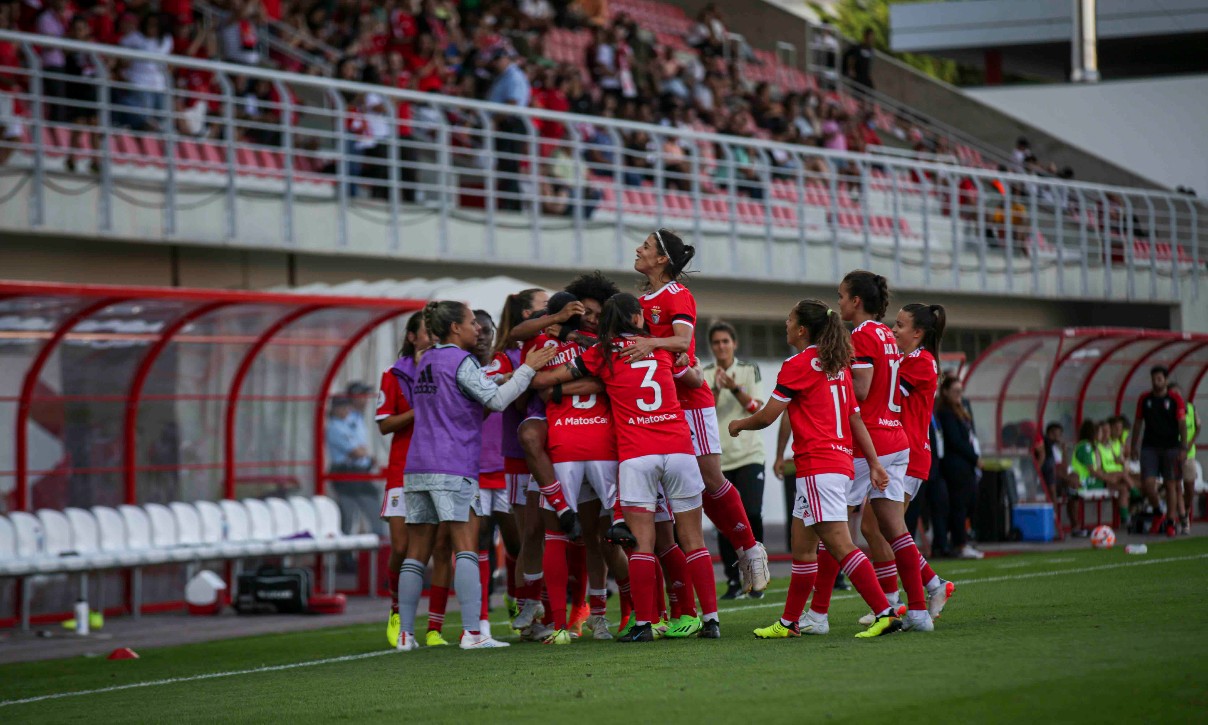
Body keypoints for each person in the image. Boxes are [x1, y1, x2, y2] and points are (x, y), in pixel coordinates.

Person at [533, 293, 721, 641]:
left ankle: (645, 625)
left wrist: (558, 388)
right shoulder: (662, 349)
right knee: (693, 539)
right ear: (637, 319)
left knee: (642, 544)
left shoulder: (602, 353)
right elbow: (694, 380)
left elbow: (547, 379)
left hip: (637, 455)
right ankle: (710, 620)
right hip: (679, 449)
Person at [730, 299, 901, 639]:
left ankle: (885, 612)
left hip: (819, 466)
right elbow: (854, 419)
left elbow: (767, 416)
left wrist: (738, 425)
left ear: (802, 329)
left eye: (789, 319)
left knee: (841, 544)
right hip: (833, 465)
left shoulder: (798, 364)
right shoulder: (836, 366)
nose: (786, 324)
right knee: (803, 547)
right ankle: (792, 622)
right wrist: (874, 463)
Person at [395, 301, 557, 651]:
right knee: (467, 549)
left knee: (416, 552)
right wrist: (526, 370)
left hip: (418, 466)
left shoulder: (427, 360)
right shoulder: (460, 360)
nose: (479, 328)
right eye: (472, 322)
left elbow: (466, 387)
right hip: (453, 465)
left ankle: (406, 634)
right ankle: (473, 632)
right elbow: (496, 402)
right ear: (455, 328)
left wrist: (502, 375)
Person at [616, 229, 771, 594]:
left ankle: (750, 549)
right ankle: (684, 599)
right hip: (661, 404)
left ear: (661, 259)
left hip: (689, 400)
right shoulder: (642, 299)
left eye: (646, 246)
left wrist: (651, 343)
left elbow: (683, 341)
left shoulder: (677, 294)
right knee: (688, 491)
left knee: (709, 477)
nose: (638, 250)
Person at [805, 271, 931, 632]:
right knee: (896, 529)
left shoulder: (861, 335)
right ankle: (919, 611)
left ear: (856, 301)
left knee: (834, 529)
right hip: (896, 439)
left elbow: (860, 390)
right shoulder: (886, 335)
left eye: (842, 296)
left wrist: (831, 375)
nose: (839, 302)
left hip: (870, 442)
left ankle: (819, 614)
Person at [377, 313, 454, 648]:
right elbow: (384, 424)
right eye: (426, 331)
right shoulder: (394, 375)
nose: (432, 336)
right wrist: (419, 409)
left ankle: (434, 627)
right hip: (402, 469)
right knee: (403, 547)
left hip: (440, 465)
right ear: (411, 337)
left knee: (441, 548)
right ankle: (397, 610)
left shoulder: (447, 367)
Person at [891, 303, 956, 619]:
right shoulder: (912, 360)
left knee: (886, 528)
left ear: (918, 333)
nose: (893, 329)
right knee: (880, 527)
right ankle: (926, 587)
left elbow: (883, 393)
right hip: (901, 453)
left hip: (909, 454)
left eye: (900, 325)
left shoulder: (920, 361)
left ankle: (901, 602)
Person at [702, 321, 766, 600]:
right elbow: (702, 410)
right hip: (718, 459)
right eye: (716, 342)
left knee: (751, 512)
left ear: (734, 344)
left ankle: (756, 572)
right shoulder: (703, 373)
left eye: (725, 341)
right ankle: (733, 580)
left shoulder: (748, 369)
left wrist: (734, 388)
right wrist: (716, 390)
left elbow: (756, 407)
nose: (721, 347)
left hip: (749, 454)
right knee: (724, 523)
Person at [1131, 366, 1188, 537]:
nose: (1156, 382)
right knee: (1148, 483)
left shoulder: (1175, 399)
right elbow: (1138, 422)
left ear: (1166, 380)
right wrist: (1133, 445)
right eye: (1154, 379)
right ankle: (1158, 512)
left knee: (1171, 484)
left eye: (1159, 379)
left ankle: (1170, 522)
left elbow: (1182, 425)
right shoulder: (1144, 399)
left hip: (1171, 447)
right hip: (1150, 446)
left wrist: (1183, 447)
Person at [326, 381, 383, 538]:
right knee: (349, 521)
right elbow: (356, 451)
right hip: (348, 474)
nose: (366, 399)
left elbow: (361, 449)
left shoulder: (358, 418)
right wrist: (362, 454)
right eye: (362, 395)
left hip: (360, 472)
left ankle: (374, 558)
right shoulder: (342, 421)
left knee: (373, 516)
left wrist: (367, 457)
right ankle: (347, 560)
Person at [936, 375, 983, 558]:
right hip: (956, 466)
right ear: (946, 392)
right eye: (955, 391)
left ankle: (963, 539)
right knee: (959, 505)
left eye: (960, 391)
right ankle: (959, 543)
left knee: (967, 504)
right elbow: (955, 441)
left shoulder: (961, 410)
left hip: (966, 466)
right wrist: (974, 457)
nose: (959, 395)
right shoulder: (946, 412)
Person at [1168, 382, 1200, 534]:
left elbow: (1198, 427)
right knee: (1176, 487)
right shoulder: (1168, 411)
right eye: (1173, 394)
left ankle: (1185, 511)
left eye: (1178, 393)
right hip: (1173, 453)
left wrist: (1188, 446)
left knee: (1189, 488)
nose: (1176, 396)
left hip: (1189, 454)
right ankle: (1180, 519)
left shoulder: (1191, 408)